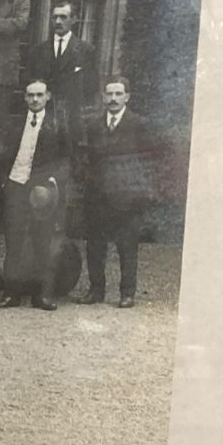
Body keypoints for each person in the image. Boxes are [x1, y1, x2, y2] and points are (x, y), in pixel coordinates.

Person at [0, 79, 75, 311]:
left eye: (39, 95)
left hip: (42, 191)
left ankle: (41, 295)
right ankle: (11, 293)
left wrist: (53, 182)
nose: (34, 99)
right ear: (25, 98)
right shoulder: (14, 124)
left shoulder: (57, 124)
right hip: (15, 186)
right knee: (14, 241)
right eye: (30, 95)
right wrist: (4, 182)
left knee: (43, 241)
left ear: (48, 97)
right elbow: (0, 154)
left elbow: (67, 159)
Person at [82, 75, 160, 307]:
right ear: (103, 97)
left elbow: (149, 162)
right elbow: (88, 159)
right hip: (98, 196)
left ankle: (127, 293)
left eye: (118, 94)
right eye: (109, 94)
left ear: (127, 96)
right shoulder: (94, 125)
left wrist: (140, 193)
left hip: (127, 197)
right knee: (95, 246)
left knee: (127, 246)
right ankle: (96, 290)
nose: (113, 98)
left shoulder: (139, 124)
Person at [25, 0, 99, 119]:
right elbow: (29, 82)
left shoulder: (86, 50)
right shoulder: (38, 51)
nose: (58, 21)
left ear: (74, 20)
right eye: (55, 17)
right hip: (43, 114)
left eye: (63, 17)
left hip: (71, 115)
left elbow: (91, 87)